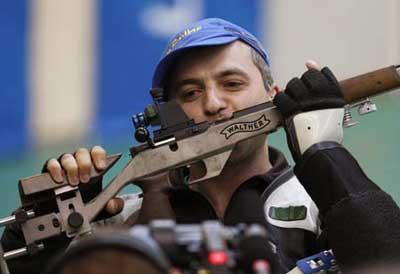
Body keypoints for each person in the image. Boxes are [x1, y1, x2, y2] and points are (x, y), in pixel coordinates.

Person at [2, 18, 400, 274]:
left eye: (232, 84)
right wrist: (49, 235)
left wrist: (324, 154)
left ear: (273, 94)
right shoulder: (124, 218)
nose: (213, 103)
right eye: (191, 92)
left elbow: (388, 260)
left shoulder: (323, 198)